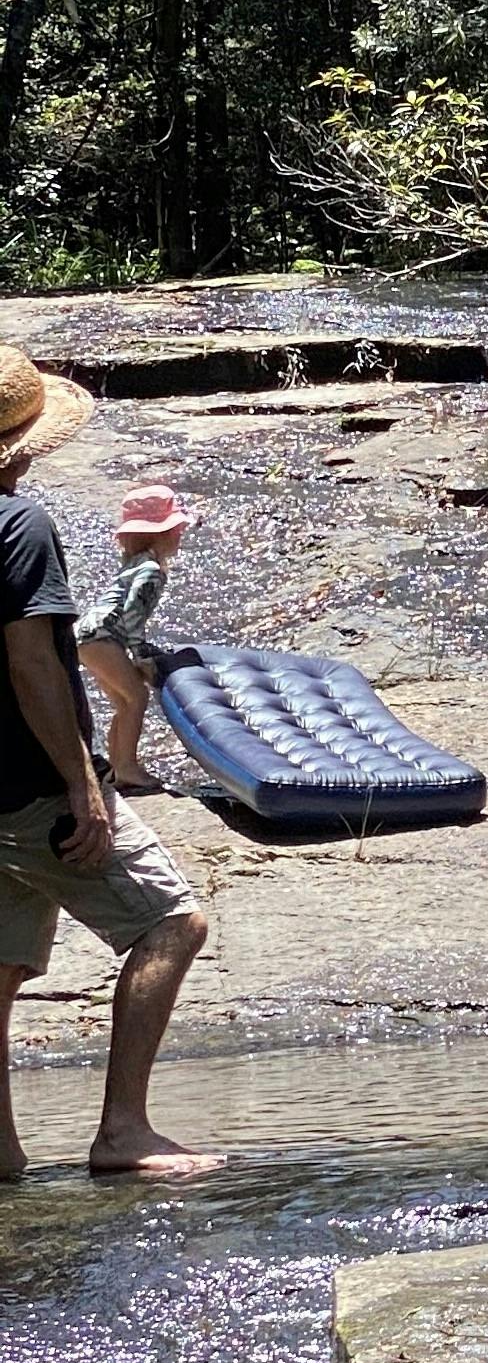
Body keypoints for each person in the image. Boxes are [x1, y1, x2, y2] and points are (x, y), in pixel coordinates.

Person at [0, 349, 216, 1180]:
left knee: (1, 964)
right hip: (27, 789)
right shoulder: (18, 526)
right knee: (171, 923)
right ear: (22, 446)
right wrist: (82, 783)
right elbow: (31, 663)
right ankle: (123, 1131)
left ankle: (0, 1153)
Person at [76, 479, 188, 795]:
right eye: (176, 529)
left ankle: (117, 767)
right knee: (136, 697)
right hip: (102, 637)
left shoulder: (135, 563)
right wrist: (141, 655)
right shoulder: (151, 570)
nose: (180, 534)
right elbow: (131, 615)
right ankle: (126, 767)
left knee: (123, 703)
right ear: (162, 534)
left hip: (89, 637)